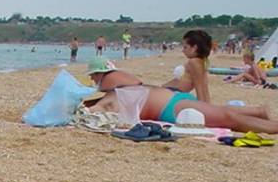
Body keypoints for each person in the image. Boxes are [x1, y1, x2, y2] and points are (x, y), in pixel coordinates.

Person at [89, 73, 278, 133]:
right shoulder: (123, 89)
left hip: (173, 107)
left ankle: (272, 125)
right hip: (174, 100)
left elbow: (95, 110)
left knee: (228, 117)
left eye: (93, 76)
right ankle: (259, 112)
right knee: (221, 113)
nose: (91, 80)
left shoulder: (113, 96)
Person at [162, 29, 212, 102]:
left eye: (185, 47)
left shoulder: (194, 62)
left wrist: (204, 108)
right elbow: (204, 86)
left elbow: (200, 88)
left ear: (194, 48)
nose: (183, 50)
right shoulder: (201, 61)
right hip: (171, 93)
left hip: (171, 95)